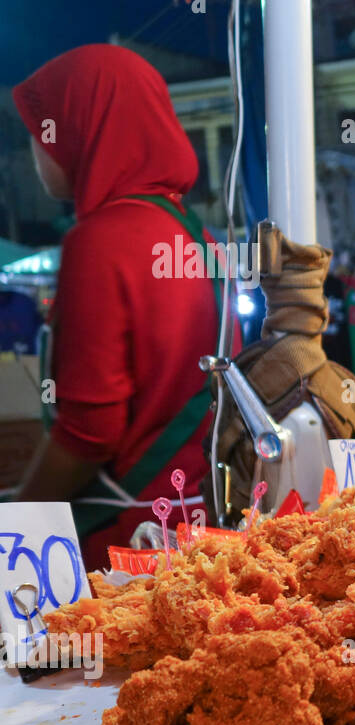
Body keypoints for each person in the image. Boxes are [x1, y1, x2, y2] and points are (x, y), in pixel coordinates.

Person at [13, 45, 233, 569]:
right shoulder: (201, 240)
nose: (35, 149)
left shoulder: (99, 242)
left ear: (85, 129)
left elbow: (90, 434)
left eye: (42, 130)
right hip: (198, 531)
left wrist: (18, 516)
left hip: (118, 554)